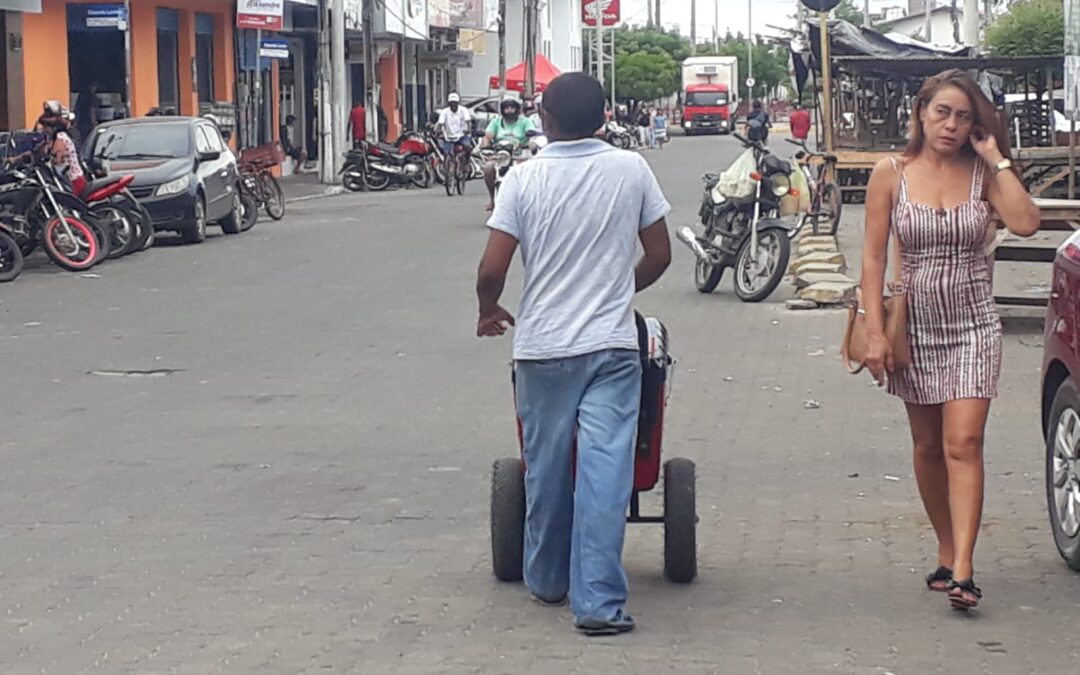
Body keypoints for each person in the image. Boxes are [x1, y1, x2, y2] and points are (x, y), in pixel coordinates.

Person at [475, 72, 672, 636]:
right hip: (612, 348)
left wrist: (489, 309)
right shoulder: (631, 168)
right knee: (606, 475)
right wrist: (615, 290)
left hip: (542, 351)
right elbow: (658, 254)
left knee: (547, 468)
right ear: (606, 117)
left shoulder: (522, 178)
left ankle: (546, 579)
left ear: (544, 118)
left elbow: (493, 267)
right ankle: (599, 605)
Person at [859, 69, 1040, 611]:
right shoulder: (891, 173)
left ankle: (963, 566)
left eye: (964, 117)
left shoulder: (984, 174)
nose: (952, 125)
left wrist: (996, 156)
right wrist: (873, 331)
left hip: (973, 323)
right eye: (943, 113)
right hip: (912, 326)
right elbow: (870, 256)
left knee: (964, 442)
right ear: (921, 113)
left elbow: (1027, 223)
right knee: (927, 445)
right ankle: (944, 546)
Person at [482, 97, 535, 211]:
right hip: (501, 156)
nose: (510, 110)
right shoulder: (496, 121)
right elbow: (488, 136)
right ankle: (492, 199)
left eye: (512, 107)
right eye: (507, 108)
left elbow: (531, 136)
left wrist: (532, 143)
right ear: (502, 110)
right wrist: (485, 144)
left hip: (520, 155)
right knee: (488, 168)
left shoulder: (525, 121)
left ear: (517, 109)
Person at [38, 102, 87, 195]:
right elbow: (36, 151)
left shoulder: (60, 138)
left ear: (54, 127)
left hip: (72, 181)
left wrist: (50, 160)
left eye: (46, 127)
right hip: (68, 180)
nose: (43, 129)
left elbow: (57, 158)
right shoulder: (51, 139)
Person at [436, 92, 474, 161]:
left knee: (468, 147)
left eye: (455, 102)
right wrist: (438, 131)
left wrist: (468, 129)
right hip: (449, 137)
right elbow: (440, 123)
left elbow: (468, 122)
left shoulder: (463, 110)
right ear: (449, 103)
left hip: (462, 135)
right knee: (445, 152)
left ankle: (466, 161)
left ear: (458, 103)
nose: (453, 104)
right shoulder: (444, 112)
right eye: (452, 103)